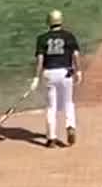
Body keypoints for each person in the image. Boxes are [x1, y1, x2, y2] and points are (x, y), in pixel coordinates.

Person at [25, 9, 83, 148]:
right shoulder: (69, 36)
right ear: (61, 21)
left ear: (49, 22)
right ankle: (70, 125)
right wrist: (79, 70)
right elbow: (75, 55)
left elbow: (40, 59)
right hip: (65, 73)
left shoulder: (42, 38)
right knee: (68, 102)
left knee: (51, 106)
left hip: (49, 74)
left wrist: (36, 77)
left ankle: (51, 138)